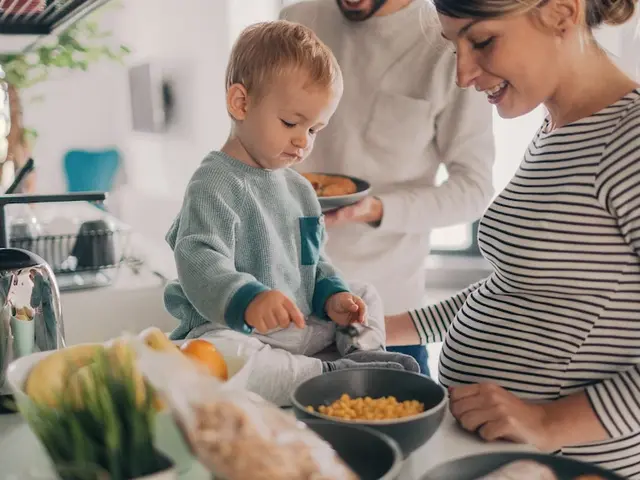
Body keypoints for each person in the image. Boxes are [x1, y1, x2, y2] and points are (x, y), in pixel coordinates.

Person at [384, 0, 640, 476]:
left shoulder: (631, 139)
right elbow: (517, 292)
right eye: (453, 46)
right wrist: (389, 326)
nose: (462, 75)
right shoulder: (556, 130)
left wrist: (549, 421)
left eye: (481, 41)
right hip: (502, 457)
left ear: (563, 13)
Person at [163, 21, 418, 406]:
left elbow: (315, 262)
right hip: (237, 329)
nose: (303, 141)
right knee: (219, 358)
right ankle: (330, 376)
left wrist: (333, 297)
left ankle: (359, 353)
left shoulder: (299, 188)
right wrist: (248, 300)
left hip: (298, 324)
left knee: (365, 292)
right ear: (241, 103)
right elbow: (198, 258)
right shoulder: (213, 182)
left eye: (315, 129)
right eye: (291, 123)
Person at [280, 0, 496, 376]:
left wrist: (379, 209)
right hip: (289, 305)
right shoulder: (296, 21)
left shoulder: (449, 40)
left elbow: (474, 189)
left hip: (388, 315)